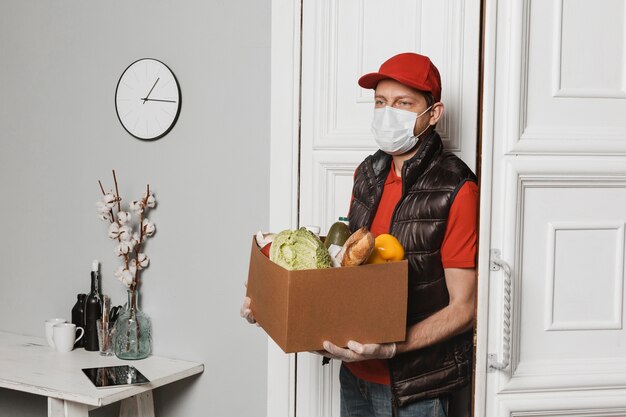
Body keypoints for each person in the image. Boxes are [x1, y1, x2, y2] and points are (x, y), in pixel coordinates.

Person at [241, 52, 478, 417]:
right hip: (354, 379)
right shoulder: (366, 174)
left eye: (403, 103)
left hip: (416, 391)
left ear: (434, 113)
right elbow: (349, 274)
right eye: (381, 102)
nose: (388, 113)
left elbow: (465, 309)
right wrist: (273, 303)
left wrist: (390, 349)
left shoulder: (456, 187)